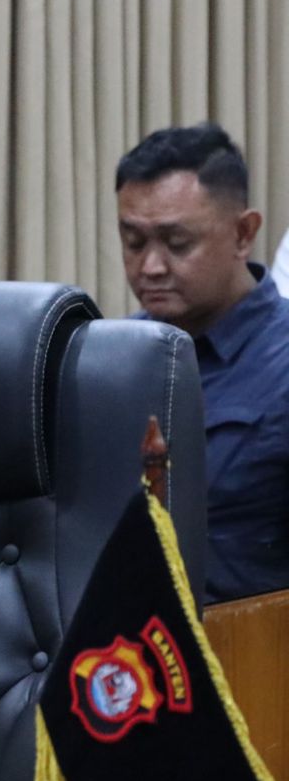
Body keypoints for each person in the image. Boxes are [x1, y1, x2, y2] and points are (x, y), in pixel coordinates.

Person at [115, 123, 289, 602]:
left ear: (243, 233)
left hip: (253, 640)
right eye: (133, 242)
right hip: (120, 636)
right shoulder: (111, 357)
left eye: (177, 243)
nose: (150, 267)